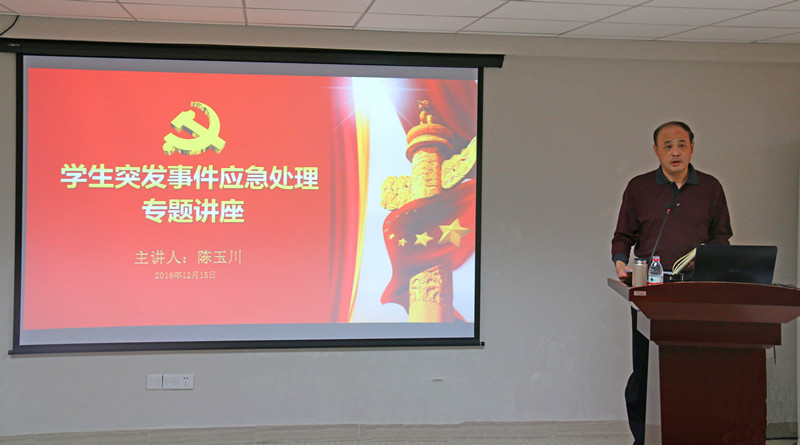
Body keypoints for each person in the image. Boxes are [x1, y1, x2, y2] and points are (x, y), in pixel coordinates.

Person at [611, 121, 732, 445]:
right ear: (656, 151)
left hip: (697, 291)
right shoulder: (639, 188)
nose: (675, 151)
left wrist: (705, 259)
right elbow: (623, 236)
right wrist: (620, 262)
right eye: (667, 146)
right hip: (651, 291)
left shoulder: (711, 188)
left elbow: (722, 238)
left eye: (681, 144)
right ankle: (643, 439)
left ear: (692, 147)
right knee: (645, 371)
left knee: (696, 369)